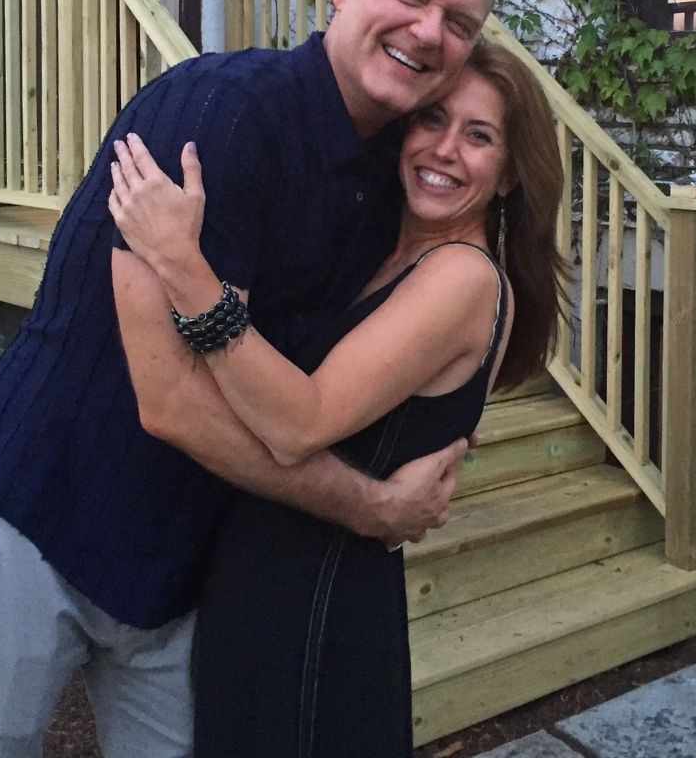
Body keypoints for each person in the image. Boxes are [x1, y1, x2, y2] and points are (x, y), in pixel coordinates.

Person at [0, 0, 500, 758]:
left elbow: (382, 342)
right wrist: (373, 506)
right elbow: (173, 403)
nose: (429, 30)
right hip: (36, 519)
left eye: (460, 22)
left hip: (187, 565)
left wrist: (442, 419)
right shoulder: (213, 114)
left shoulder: (395, 174)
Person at [108, 39, 565, 757]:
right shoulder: (386, 249)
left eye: (479, 137)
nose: (445, 150)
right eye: (433, 119)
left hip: (313, 610)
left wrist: (183, 264)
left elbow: (301, 423)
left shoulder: (463, 279)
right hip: (262, 586)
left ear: (510, 173)